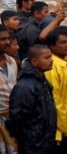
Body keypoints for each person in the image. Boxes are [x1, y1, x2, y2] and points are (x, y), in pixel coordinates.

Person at [8, 44, 57, 154]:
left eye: (51, 57)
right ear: (34, 62)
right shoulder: (26, 86)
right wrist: (29, 139)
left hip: (46, 143)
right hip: (32, 146)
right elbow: (16, 119)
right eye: (46, 58)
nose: (51, 60)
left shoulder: (42, 81)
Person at [44, 27, 67, 154]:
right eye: (62, 42)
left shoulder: (65, 62)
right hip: (61, 128)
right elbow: (55, 101)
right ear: (52, 46)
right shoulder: (53, 66)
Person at [0, 26, 18, 154]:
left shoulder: (11, 62)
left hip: (11, 119)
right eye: (2, 39)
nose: (7, 42)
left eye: (8, 38)